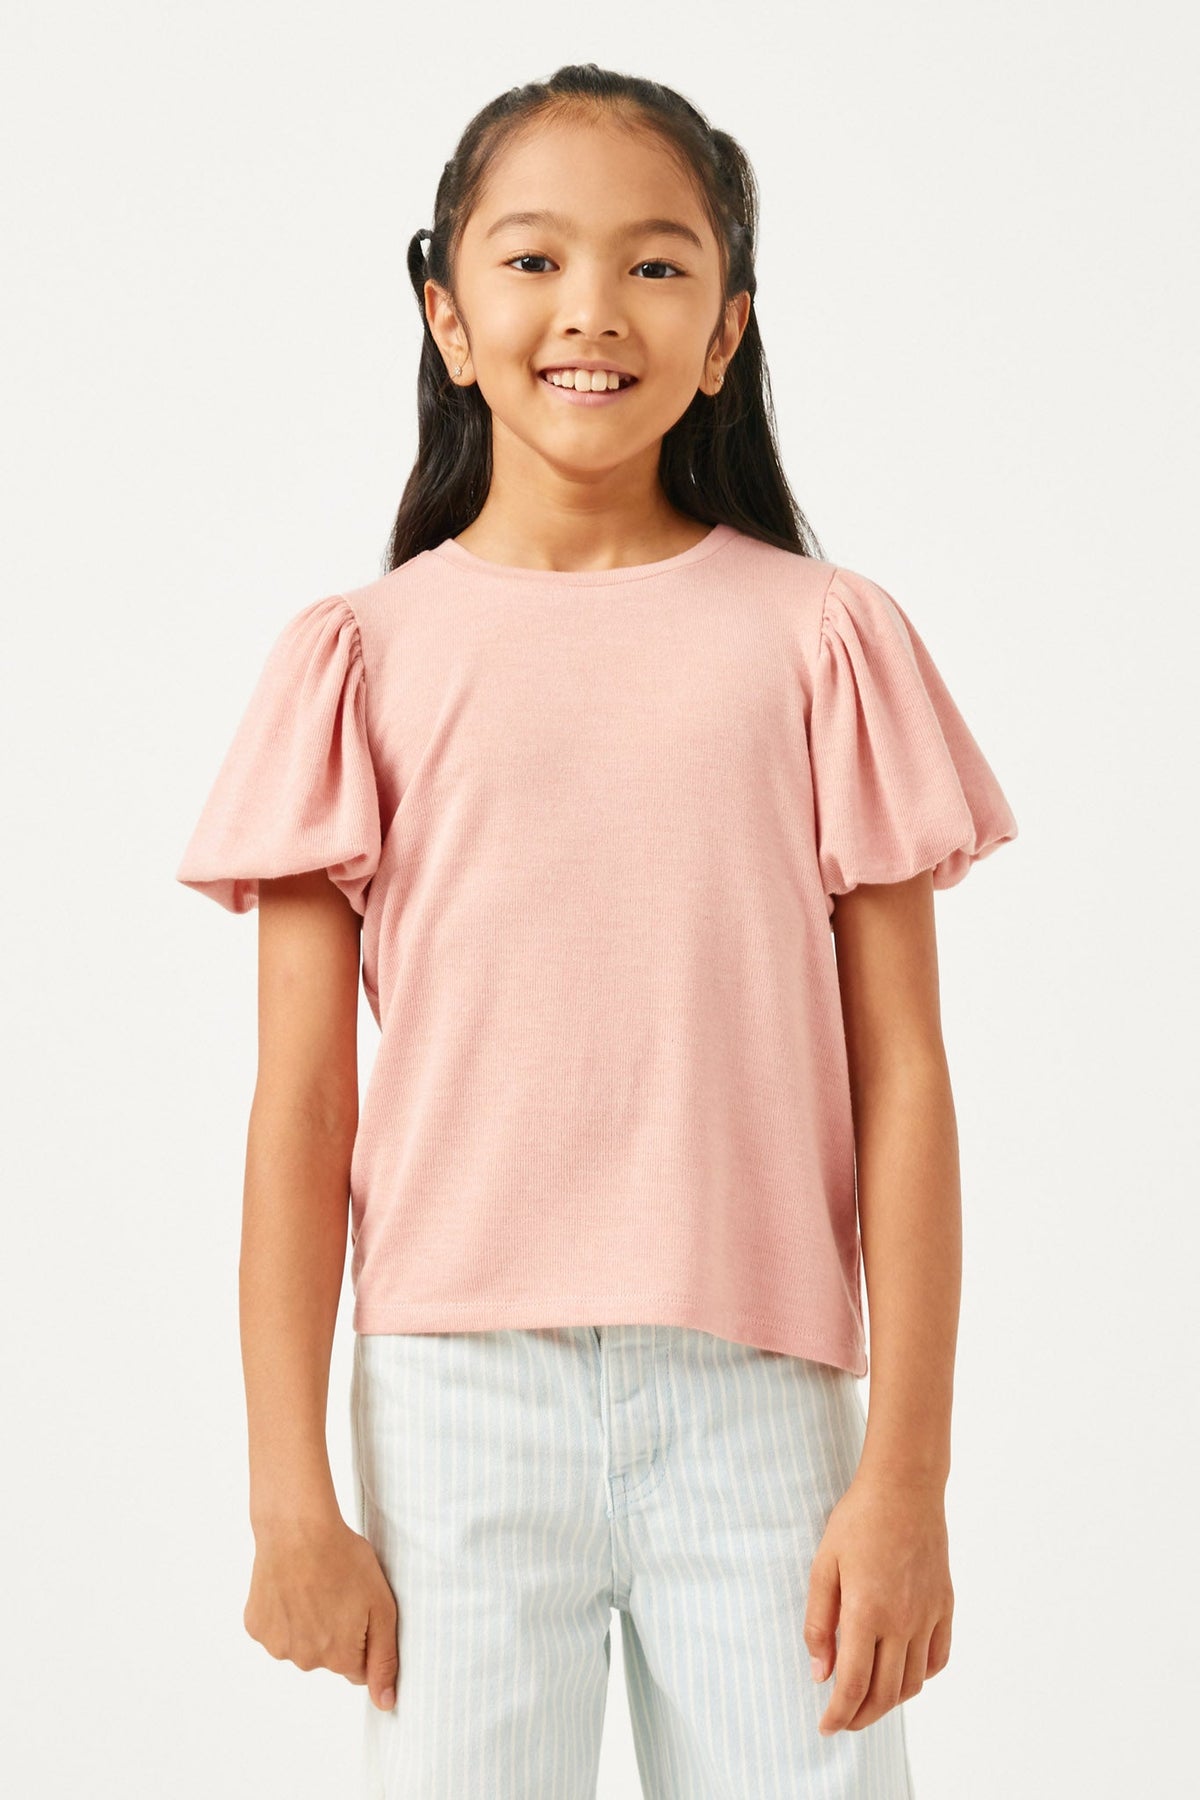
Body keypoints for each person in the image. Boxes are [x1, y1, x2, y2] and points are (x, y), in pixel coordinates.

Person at [175, 62, 1018, 1800]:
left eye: (655, 264)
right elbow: (304, 1110)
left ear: (727, 331)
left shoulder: (824, 643)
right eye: (533, 259)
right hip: (455, 1406)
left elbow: (906, 1081)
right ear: (447, 313)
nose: (592, 309)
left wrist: (908, 1477)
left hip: (763, 1396)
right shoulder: (359, 662)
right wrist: (287, 1492)